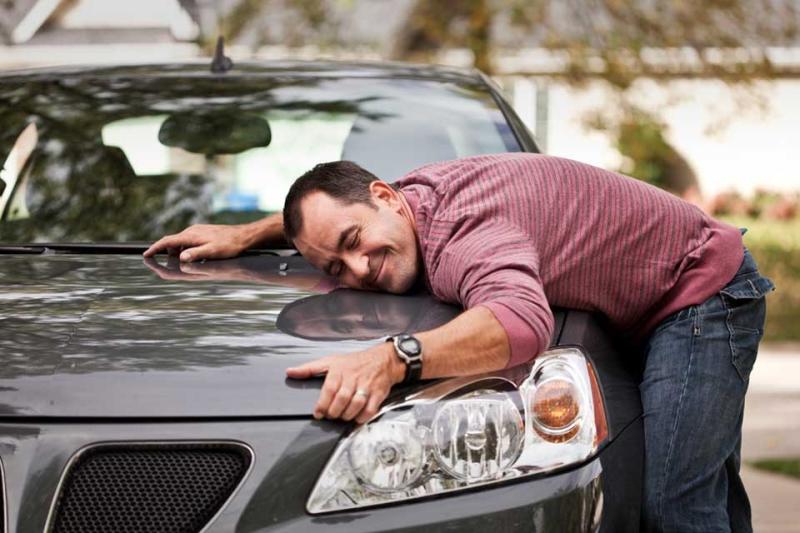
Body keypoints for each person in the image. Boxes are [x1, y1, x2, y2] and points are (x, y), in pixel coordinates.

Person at [144, 153, 773, 532]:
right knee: (709, 490)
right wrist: (248, 234)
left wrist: (393, 358)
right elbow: (335, 219)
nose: (358, 268)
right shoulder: (408, 198)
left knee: (676, 509)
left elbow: (521, 320)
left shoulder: (465, 233)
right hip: (660, 290)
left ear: (387, 198)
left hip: (699, 292)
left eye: (355, 243)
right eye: (334, 265)